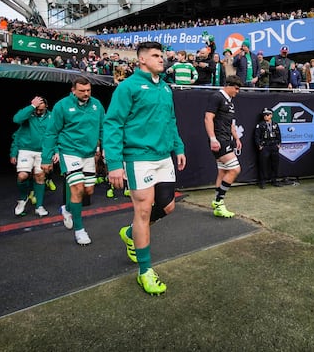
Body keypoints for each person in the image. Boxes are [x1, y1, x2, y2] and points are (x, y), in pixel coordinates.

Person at [105, 41, 186, 296]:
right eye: (155, 55)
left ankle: (129, 233)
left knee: (168, 206)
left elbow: (171, 121)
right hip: (137, 157)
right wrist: (115, 164)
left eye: (162, 55)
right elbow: (113, 124)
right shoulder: (127, 87)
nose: (162, 59)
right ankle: (145, 271)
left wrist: (179, 147)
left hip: (164, 156)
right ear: (141, 60)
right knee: (143, 210)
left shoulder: (165, 88)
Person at [41, 76, 105, 245]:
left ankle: (67, 208)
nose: (86, 94)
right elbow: (51, 132)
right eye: (82, 91)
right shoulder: (62, 106)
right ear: (73, 90)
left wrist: (105, 150)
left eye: (88, 90)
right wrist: (46, 157)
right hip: (69, 152)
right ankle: (80, 230)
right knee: (76, 189)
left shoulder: (96, 105)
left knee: (88, 191)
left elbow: (103, 128)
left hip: (89, 154)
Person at [206, 75, 244, 217]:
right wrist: (212, 139)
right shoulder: (217, 97)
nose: (237, 91)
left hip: (227, 139)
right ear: (228, 85)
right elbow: (208, 118)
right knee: (235, 169)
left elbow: (231, 123)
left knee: (222, 172)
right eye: (236, 88)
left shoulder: (230, 102)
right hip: (219, 140)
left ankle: (218, 207)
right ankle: (218, 201)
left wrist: (236, 138)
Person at [11, 96, 52, 217]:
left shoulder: (51, 116)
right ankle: (23, 199)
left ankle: (39, 206)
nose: (38, 112)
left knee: (40, 176)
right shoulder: (28, 113)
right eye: (37, 109)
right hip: (26, 150)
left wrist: (55, 151)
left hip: (43, 151)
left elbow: (54, 134)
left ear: (46, 107)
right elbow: (16, 119)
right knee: (22, 176)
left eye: (41, 110)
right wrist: (32, 106)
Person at [254, 108, 282, 188]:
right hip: (265, 146)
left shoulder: (275, 124)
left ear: (271, 115)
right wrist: (259, 145)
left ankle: (274, 180)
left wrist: (279, 144)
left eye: (267, 115)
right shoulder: (260, 125)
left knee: (275, 164)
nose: (265, 116)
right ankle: (262, 181)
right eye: (264, 115)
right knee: (263, 164)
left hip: (274, 146)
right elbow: (256, 136)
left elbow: (279, 135)